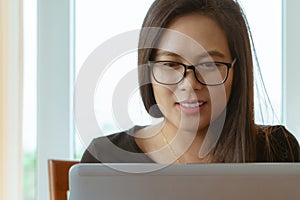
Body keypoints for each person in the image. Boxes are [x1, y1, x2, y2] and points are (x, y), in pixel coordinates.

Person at [81, 0, 299, 163]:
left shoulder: (278, 151)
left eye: (210, 65)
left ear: (237, 71)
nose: (190, 84)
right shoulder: (104, 158)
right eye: (170, 64)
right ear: (148, 70)